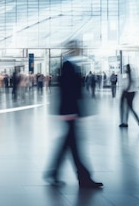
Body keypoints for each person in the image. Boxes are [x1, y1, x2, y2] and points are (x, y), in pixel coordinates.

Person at [43, 41, 103, 189]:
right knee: (73, 146)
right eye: (78, 47)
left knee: (69, 145)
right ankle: (83, 178)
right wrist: (71, 112)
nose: (80, 49)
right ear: (73, 49)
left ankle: (56, 173)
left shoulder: (68, 65)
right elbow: (68, 90)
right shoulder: (68, 65)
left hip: (70, 112)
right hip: (70, 112)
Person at [119, 64, 139, 129]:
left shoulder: (129, 74)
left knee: (129, 108)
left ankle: (138, 121)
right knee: (128, 108)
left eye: (125, 68)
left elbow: (129, 83)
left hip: (128, 92)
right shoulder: (130, 74)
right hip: (131, 92)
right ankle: (125, 123)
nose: (125, 70)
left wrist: (126, 90)